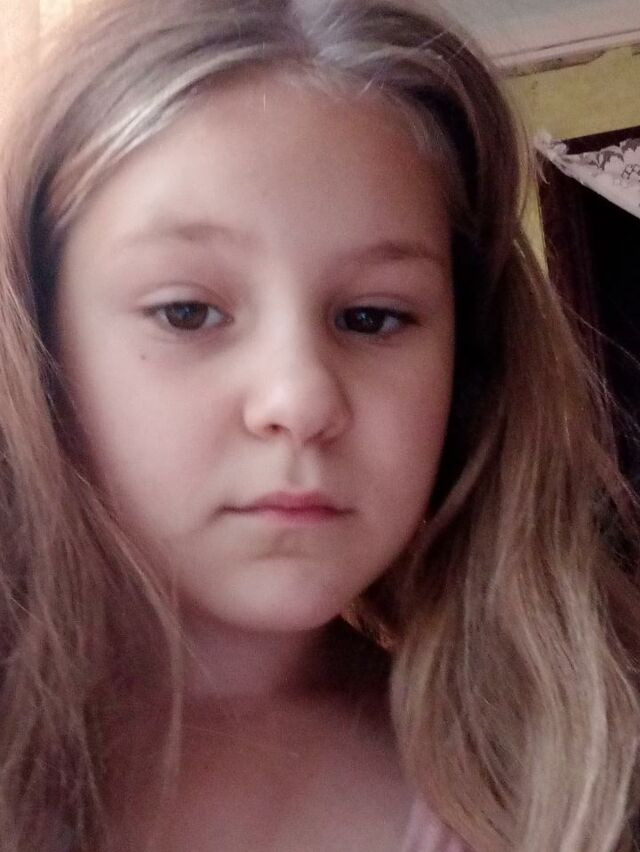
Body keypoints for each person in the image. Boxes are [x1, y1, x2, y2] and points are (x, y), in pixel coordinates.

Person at [0, 0, 638, 850]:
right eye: (187, 311)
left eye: (372, 317)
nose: (301, 401)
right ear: (40, 343)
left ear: (469, 367)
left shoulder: (576, 775)